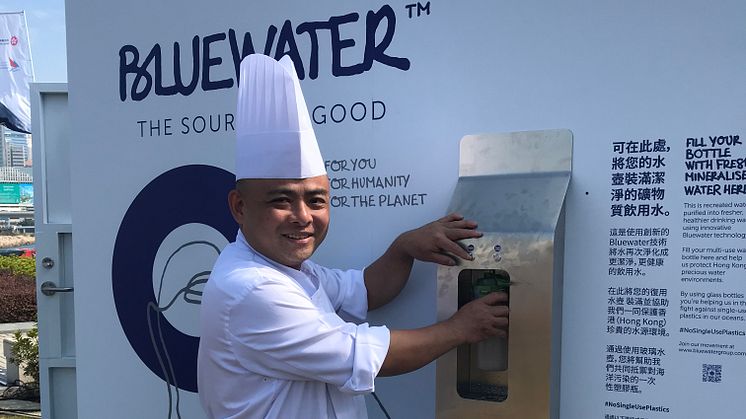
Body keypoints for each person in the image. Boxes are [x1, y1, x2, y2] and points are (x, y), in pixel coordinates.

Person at [197, 54, 509, 419]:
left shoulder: (294, 271)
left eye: (316, 200)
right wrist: (459, 330)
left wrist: (403, 248)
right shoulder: (251, 289)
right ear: (239, 207)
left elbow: (364, 289)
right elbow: (369, 356)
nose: (302, 217)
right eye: (280, 200)